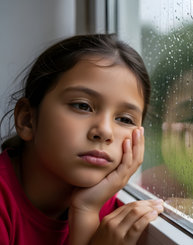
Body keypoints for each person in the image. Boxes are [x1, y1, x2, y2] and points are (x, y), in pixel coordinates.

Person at [0, 34, 163, 245]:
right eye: (82, 106)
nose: (104, 131)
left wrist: (85, 211)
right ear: (27, 120)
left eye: (124, 119)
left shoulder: (106, 205)